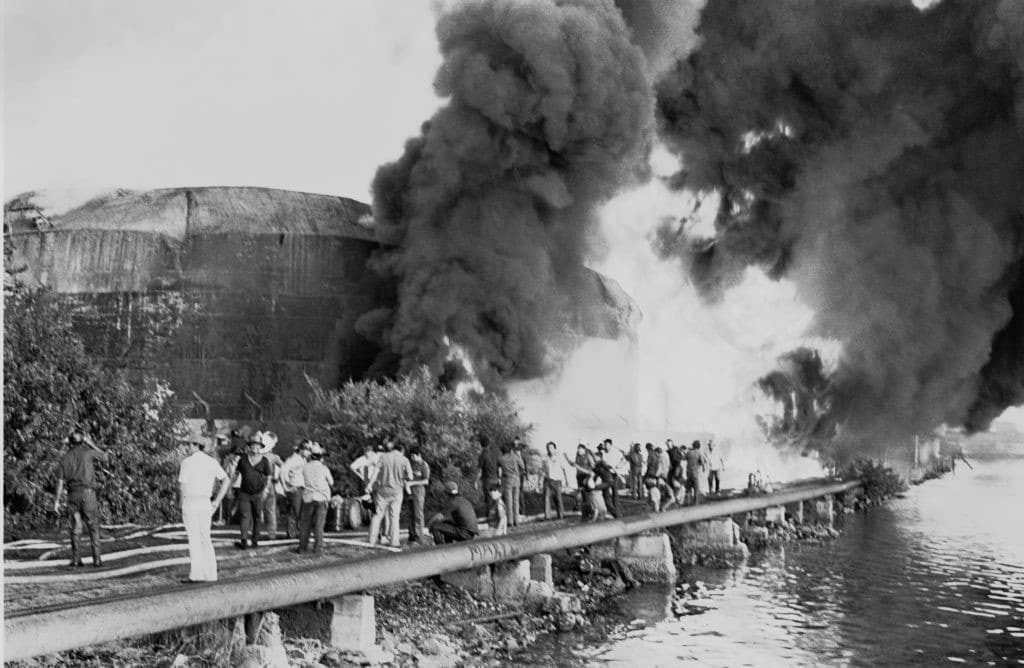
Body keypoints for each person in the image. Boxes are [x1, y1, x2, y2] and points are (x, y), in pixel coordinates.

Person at [53, 429, 108, 567]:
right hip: (88, 495)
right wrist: (91, 443)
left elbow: (59, 482)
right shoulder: (88, 452)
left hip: (73, 496)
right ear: (82, 441)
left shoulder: (64, 458)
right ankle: (97, 559)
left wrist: (56, 502)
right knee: (93, 527)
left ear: (70, 443)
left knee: (76, 528)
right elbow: (105, 457)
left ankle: (76, 559)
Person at [178, 438, 230, 582]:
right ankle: (211, 574)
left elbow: (182, 487)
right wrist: (217, 501)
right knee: (205, 538)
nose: (187, 447)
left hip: (191, 502)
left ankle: (196, 574)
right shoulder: (211, 462)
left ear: (196, 445)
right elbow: (226, 480)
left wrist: (180, 505)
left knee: (194, 539)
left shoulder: (187, 462)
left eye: (189, 444)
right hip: (205, 503)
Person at [367, 439, 412, 547]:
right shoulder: (404, 459)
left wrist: (369, 484)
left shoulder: (383, 457)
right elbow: (410, 476)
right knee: (394, 517)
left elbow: (375, 472)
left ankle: (371, 540)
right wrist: (402, 477)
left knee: (378, 515)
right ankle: (394, 541)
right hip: (396, 492)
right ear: (401, 450)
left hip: (382, 491)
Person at [232, 437, 274, 549]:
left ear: (260, 447)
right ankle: (244, 540)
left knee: (257, 517)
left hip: (258, 493)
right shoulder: (243, 459)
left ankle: (255, 540)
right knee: (245, 516)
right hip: (244, 492)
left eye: (257, 446)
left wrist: (266, 490)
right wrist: (230, 487)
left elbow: (269, 477)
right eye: (253, 445)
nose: (255, 447)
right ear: (249, 447)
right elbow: (235, 473)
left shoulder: (265, 461)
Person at [297, 442, 333, 553]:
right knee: (319, 525)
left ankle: (302, 547)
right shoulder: (324, 468)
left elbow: (301, 481)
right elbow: (331, 482)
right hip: (321, 498)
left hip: (308, 498)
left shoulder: (304, 467)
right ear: (321, 457)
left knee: (305, 524)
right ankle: (317, 548)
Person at [281, 439, 311, 539]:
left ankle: (298, 532)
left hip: (303, 488)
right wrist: (286, 486)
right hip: (295, 488)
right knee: (295, 511)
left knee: (301, 512)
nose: (309, 452)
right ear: (301, 449)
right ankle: (291, 534)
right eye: (307, 450)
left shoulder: (304, 459)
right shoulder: (292, 459)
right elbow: (282, 471)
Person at [406, 447, 431, 543]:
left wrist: (412, 483)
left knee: (418, 515)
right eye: (411, 455)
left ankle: (419, 536)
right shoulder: (411, 465)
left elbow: (426, 481)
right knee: (410, 515)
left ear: (419, 455)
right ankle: (412, 535)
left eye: (414, 455)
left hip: (418, 493)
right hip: (409, 493)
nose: (412, 457)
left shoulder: (424, 465)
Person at [566, 443, 596, 520]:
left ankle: (592, 512)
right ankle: (585, 514)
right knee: (583, 495)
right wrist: (567, 458)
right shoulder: (577, 456)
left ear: (584, 449)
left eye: (580, 449)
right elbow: (573, 465)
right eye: (578, 449)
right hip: (579, 477)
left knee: (588, 495)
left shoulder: (588, 456)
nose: (579, 450)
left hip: (586, 477)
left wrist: (589, 474)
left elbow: (593, 467)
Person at [499, 441, 525, 527]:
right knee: (516, 500)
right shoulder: (515, 457)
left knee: (508, 501)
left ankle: (510, 521)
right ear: (510, 450)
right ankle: (516, 520)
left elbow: (499, 470)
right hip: (516, 479)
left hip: (507, 480)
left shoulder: (501, 459)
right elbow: (522, 466)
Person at [542, 441, 569, 520]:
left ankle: (560, 515)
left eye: (551, 448)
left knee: (558, 498)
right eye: (548, 448)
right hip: (547, 480)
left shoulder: (559, 458)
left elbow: (564, 470)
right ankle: (547, 516)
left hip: (557, 481)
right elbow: (543, 471)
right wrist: (540, 481)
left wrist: (567, 480)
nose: (550, 449)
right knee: (547, 499)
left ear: (555, 449)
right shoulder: (545, 459)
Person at [476, 435, 502, 514]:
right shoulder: (495, 454)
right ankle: (497, 516)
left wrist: (476, 481)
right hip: (496, 479)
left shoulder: (482, 455)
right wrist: (499, 478)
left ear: (481, 445)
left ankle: (489, 516)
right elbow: (499, 467)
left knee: (488, 499)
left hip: (487, 480)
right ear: (489, 443)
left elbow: (480, 470)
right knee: (496, 498)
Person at [593, 448, 620, 518]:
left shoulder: (602, 463)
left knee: (593, 488)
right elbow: (595, 474)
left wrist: (618, 475)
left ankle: (615, 514)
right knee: (606, 500)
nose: (594, 458)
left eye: (595, 457)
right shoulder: (597, 465)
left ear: (599, 457)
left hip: (609, 482)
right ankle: (616, 515)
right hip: (606, 482)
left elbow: (610, 467)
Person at [684, 440, 709, 505]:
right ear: (699, 446)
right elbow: (702, 462)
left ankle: (688, 501)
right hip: (695, 472)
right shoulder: (699, 453)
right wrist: (703, 468)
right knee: (696, 488)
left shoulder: (689, 452)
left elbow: (684, 458)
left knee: (689, 488)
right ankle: (696, 502)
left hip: (688, 472)